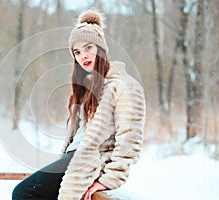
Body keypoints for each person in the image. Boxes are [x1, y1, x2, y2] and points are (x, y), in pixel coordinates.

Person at [12, 9, 146, 200]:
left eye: (89, 47)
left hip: (87, 161)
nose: (83, 55)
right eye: (77, 52)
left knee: (24, 193)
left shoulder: (124, 86)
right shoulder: (87, 87)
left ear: (101, 49)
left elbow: (130, 139)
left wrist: (110, 179)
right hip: (74, 158)